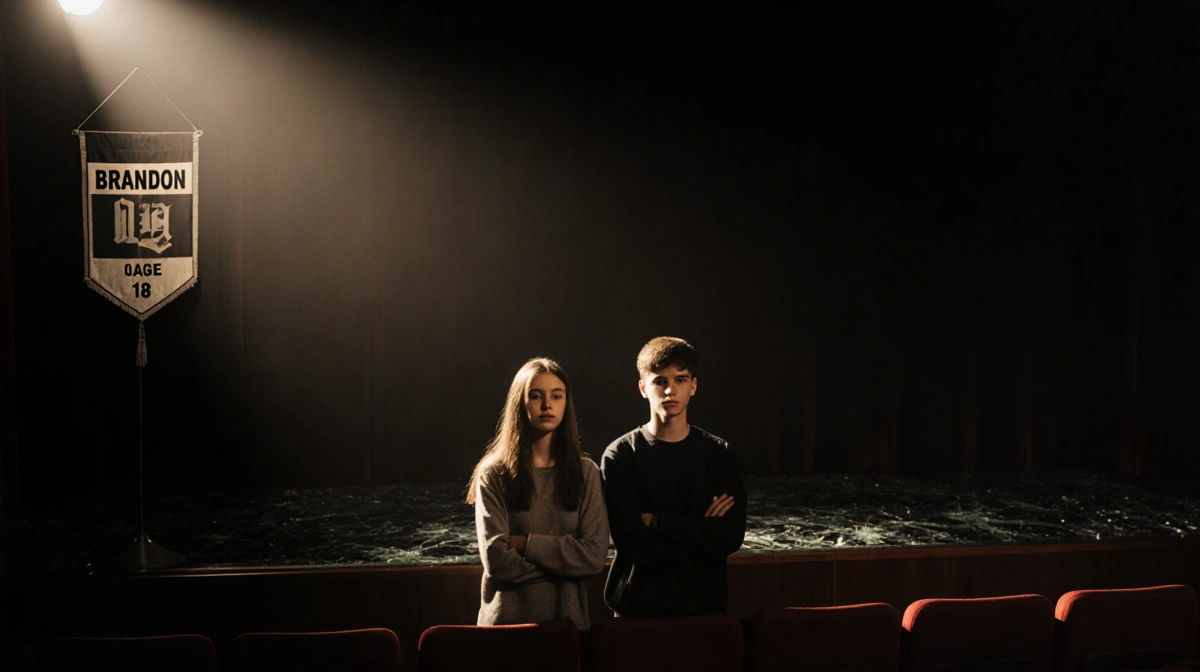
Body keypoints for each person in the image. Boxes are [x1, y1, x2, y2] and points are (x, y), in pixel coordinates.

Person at [600, 336, 746, 617]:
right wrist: (701, 533)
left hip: (704, 607)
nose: (670, 390)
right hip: (638, 610)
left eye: (680, 380)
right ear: (643, 387)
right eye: (660, 381)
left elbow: (730, 536)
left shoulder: (720, 454)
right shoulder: (620, 456)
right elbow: (633, 544)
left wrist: (656, 521)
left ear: (693, 386)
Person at [467, 357, 610, 632]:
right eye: (536, 396)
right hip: (505, 627)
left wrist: (525, 543)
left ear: (566, 403)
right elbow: (497, 560)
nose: (547, 405)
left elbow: (593, 557)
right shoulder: (493, 473)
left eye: (556, 396)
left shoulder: (586, 473)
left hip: (567, 628)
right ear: (520, 402)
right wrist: (563, 568)